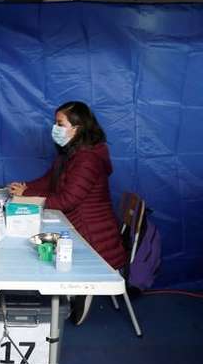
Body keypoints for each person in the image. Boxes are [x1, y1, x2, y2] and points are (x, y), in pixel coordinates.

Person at [8, 101, 127, 325]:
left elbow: (67, 200)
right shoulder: (70, 153)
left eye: (60, 123)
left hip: (91, 234)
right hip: (76, 223)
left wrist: (29, 199)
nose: (55, 128)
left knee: (37, 242)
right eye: (56, 123)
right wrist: (26, 189)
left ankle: (81, 289)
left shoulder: (88, 159)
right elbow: (50, 180)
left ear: (77, 128)